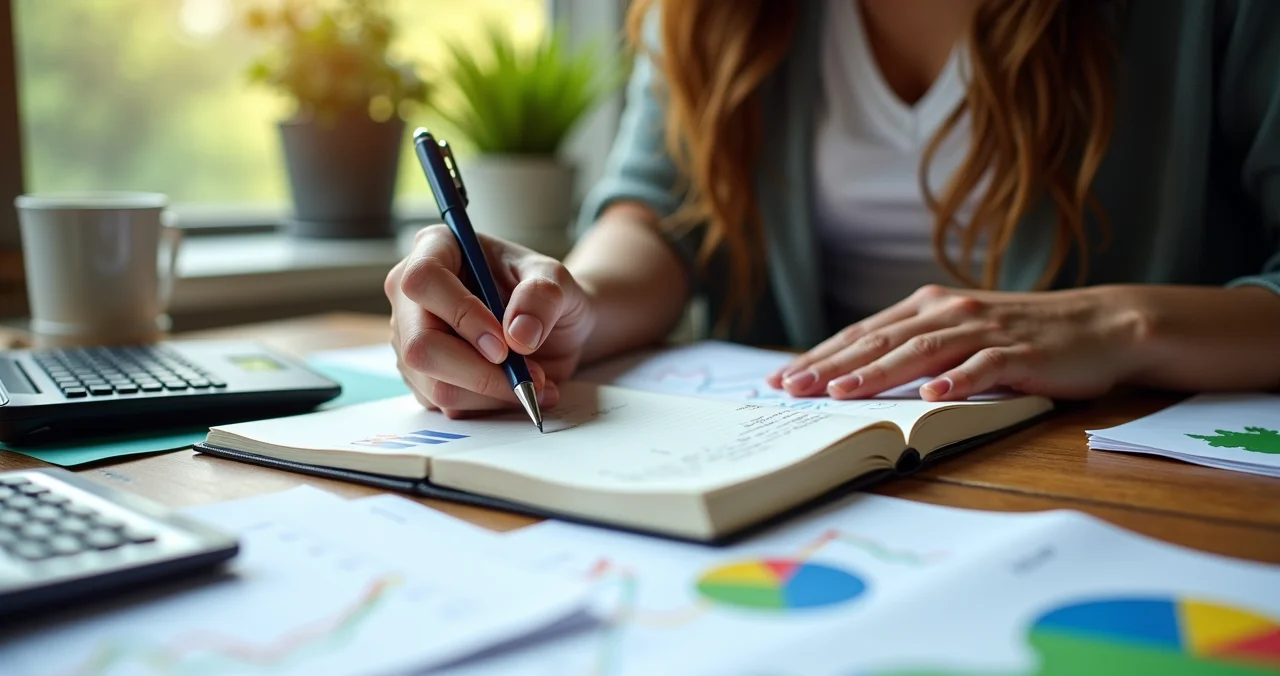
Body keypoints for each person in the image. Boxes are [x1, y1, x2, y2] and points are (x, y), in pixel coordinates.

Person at [385, 0, 1280, 419]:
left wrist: (1119, 323)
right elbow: (658, 219)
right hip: (826, 469)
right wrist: (559, 303)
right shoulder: (708, 15)